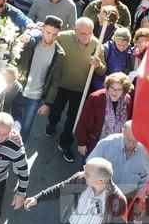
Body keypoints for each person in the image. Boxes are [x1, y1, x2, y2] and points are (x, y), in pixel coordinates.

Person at [39, 17, 107, 163]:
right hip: (61, 84)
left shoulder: (97, 45)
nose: (86, 36)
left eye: (89, 33)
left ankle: (65, 143)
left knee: (73, 119)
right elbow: (47, 43)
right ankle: (52, 123)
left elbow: (103, 71)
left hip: (81, 89)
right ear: (75, 31)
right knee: (56, 110)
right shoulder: (63, 38)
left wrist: (98, 65)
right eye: (82, 33)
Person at [23, 157, 127, 224]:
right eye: (85, 168)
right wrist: (38, 198)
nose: (83, 173)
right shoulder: (80, 179)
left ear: (100, 180)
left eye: (87, 173)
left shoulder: (118, 199)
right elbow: (61, 189)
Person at [18, 16, 63, 141]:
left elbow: (55, 81)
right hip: (19, 90)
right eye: (48, 32)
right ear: (42, 29)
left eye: (54, 34)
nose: (50, 37)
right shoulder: (31, 44)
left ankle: (16, 155)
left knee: (25, 129)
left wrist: (47, 103)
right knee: (9, 122)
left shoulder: (59, 53)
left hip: (35, 96)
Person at [88, 121, 149, 201]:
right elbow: (90, 165)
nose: (131, 144)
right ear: (123, 132)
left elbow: (145, 179)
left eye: (135, 141)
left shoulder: (144, 154)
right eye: (129, 140)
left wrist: (140, 199)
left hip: (126, 197)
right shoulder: (106, 144)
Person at [76, 72, 134, 156]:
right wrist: (81, 143)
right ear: (107, 87)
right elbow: (84, 121)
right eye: (112, 88)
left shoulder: (127, 100)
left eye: (119, 89)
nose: (114, 92)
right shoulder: (96, 98)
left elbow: (127, 122)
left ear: (124, 91)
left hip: (116, 146)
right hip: (94, 145)